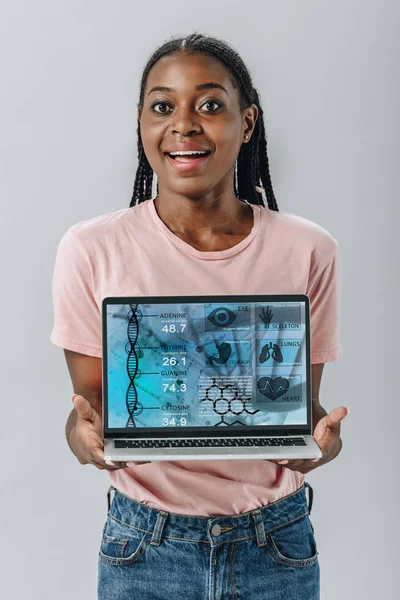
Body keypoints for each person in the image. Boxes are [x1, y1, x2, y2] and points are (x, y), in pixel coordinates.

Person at [51, 32, 349, 600]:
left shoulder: (309, 250)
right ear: (140, 121)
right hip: (144, 547)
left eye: (210, 105)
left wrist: (319, 443)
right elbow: (91, 414)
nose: (184, 124)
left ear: (248, 121)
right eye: (163, 106)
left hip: (276, 544)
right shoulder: (90, 248)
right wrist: (80, 436)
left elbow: (296, 412)